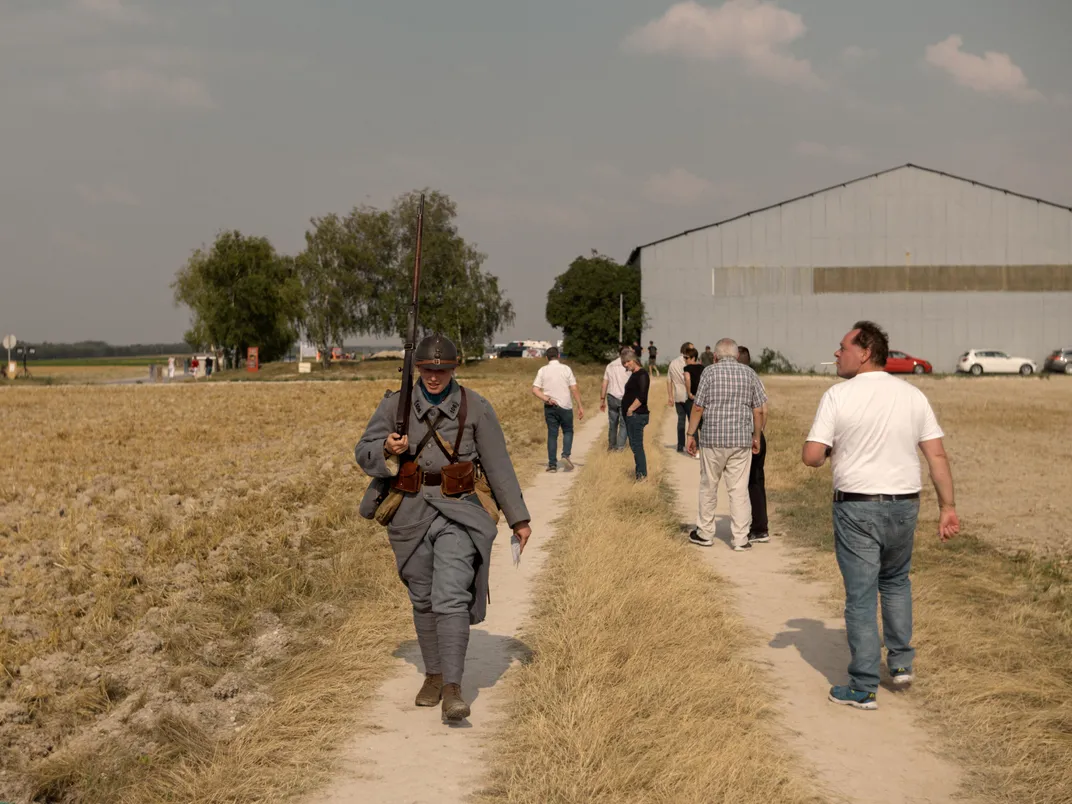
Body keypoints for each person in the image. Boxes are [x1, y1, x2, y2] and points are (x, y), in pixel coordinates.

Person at [356, 334, 532, 721]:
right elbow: (363, 451)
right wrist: (387, 446)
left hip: (461, 510)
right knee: (422, 597)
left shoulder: (477, 407)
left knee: (450, 594)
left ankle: (453, 687)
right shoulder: (394, 405)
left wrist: (519, 518)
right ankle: (432, 674)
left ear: (454, 369)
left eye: (442, 370)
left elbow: (499, 465)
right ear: (417, 369)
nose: (434, 377)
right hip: (408, 511)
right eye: (428, 370)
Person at [802, 321, 959, 711]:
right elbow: (936, 455)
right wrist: (948, 508)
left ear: (865, 351)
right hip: (905, 504)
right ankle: (902, 664)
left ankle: (863, 686)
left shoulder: (838, 395)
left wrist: (830, 452)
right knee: (895, 582)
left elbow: (811, 457)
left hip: (857, 505)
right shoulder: (912, 395)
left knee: (860, 596)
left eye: (843, 347)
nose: (837, 353)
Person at [685, 338, 766, 551]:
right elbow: (758, 410)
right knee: (738, 489)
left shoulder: (709, 373)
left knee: (708, 486)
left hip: (713, 440)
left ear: (715, 356)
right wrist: (756, 436)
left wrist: (691, 434)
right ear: (737, 356)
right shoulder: (750, 374)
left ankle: (704, 533)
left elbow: (698, 407)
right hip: (740, 441)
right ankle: (740, 538)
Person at [531, 346, 584, 472]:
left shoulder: (542, 370)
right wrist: (580, 406)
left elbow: (535, 389)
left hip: (550, 406)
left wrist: (547, 399)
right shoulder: (566, 369)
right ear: (558, 356)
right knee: (568, 431)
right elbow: (574, 388)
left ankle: (552, 465)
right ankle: (565, 455)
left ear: (546, 358)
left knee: (552, 434)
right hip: (565, 406)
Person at [737, 346, 769, 544]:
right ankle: (760, 526)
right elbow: (765, 410)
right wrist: (760, 433)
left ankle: (755, 526)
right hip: (758, 435)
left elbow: (760, 411)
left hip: (749, 436)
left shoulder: (745, 379)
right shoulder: (756, 378)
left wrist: (754, 435)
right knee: (756, 482)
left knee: (746, 483)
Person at [621, 349, 650, 480]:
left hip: (637, 415)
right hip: (632, 415)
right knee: (634, 445)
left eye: (627, 362)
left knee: (637, 445)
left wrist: (630, 409)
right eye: (624, 363)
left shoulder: (642, 374)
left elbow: (642, 396)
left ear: (634, 360)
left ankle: (642, 475)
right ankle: (639, 473)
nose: (625, 364)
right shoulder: (634, 374)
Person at [600, 345, 631, 451]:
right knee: (624, 423)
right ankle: (620, 447)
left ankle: (612, 446)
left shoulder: (610, 365)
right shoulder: (629, 365)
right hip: (625, 398)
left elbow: (605, 383)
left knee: (613, 423)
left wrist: (602, 399)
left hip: (611, 397)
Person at [666, 341, 694, 453]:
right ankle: (693, 444)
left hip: (678, 395)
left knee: (681, 421)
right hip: (688, 395)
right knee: (692, 422)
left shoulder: (672, 363)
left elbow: (669, 380)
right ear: (687, 351)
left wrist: (670, 396)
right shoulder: (688, 362)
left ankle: (680, 445)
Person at [683, 347, 704, 458]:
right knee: (703, 424)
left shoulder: (687, 368)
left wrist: (689, 392)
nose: (685, 359)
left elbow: (687, 378)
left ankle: (695, 449)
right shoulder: (703, 367)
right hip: (703, 398)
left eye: (686, 357)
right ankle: (704, 449)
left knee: (693, 423)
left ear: (693, 357)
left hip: (693, 398)